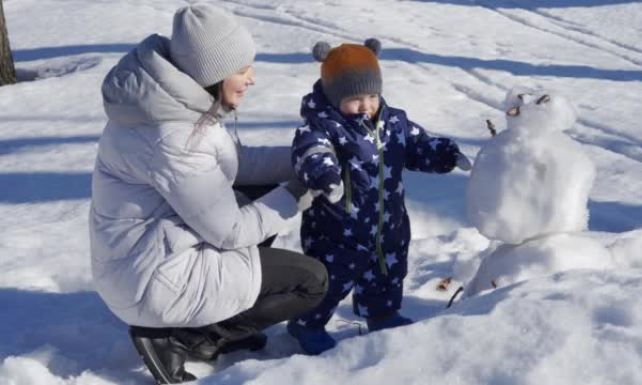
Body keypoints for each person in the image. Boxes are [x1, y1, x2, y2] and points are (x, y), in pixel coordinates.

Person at [89, 4, 328, 383]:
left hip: (145, 254)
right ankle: (183, 338)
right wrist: (300, 192)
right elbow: (230, 231)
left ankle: (211, 318)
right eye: (242, 69)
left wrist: (305, 159)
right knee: (311, 282)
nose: (252, 79)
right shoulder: (174, 135)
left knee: (259, 193)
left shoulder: (176, 103)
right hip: (153, 280)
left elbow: (237, 164)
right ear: (211, 74)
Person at [287, 39, 472, 355]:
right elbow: (311, 152)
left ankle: (382, 314)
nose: (365, 105)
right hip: (336, 231)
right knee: (329, 281)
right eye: (354, 98)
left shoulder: (394, 122)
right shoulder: (323, 127)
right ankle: (307, 323)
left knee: (387, 272)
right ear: (333, 96)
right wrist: (324, 175)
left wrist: (446, 155)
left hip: (388, 225)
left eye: (372, 96)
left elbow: (418, 146)